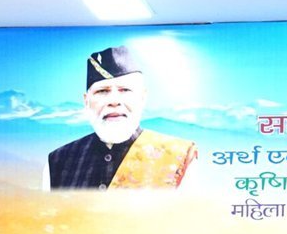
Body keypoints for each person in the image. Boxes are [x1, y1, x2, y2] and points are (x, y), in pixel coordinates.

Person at [47, 45, 197, 190]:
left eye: (125, 90)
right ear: (86, 101)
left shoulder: (179, 156)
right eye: (102, 91)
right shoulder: (58, 161)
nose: (114, 101)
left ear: (142, 98)